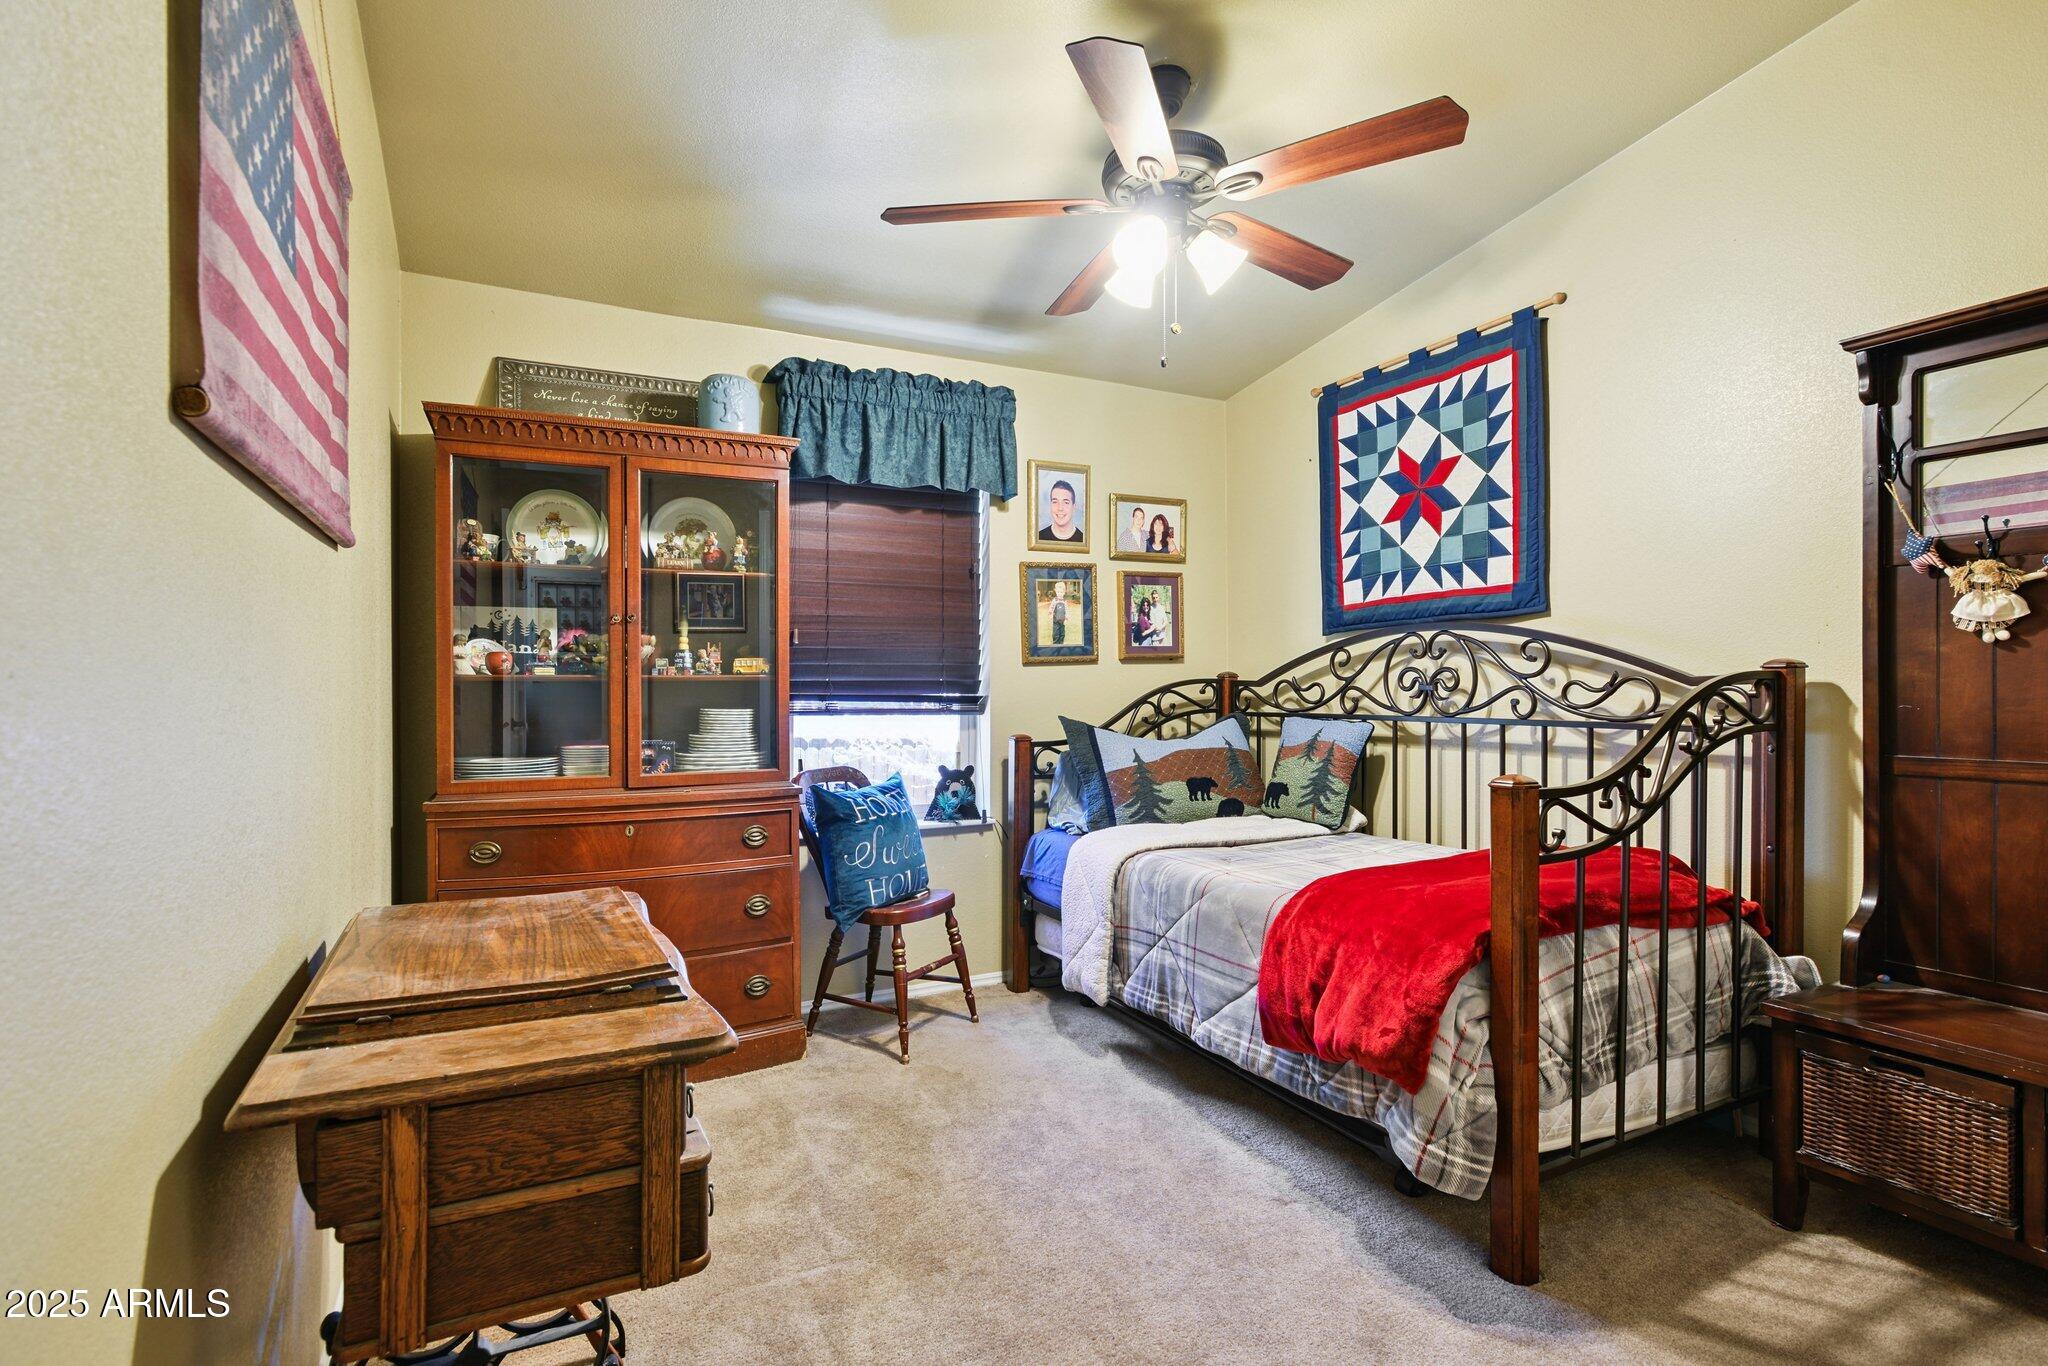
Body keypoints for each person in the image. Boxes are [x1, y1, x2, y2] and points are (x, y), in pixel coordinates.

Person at [1039, 478, 1083, 543]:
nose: (1060, 508)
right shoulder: (1039, 537)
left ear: (1074, 507)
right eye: (1055, 502)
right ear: (1050, 505)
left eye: (1066, 502)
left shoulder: (1083, 540)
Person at [1049, 580, 1069, 645]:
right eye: (1058, 592)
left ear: (1064, 592)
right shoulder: (1055, 600)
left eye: (1061, 592)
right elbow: (1051, 608)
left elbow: (1066, 610)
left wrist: (1066, 618)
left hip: (1062, 620)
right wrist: (1050, 614)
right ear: (1056, 591)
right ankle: (1055, 643)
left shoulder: (1064, 601)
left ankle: (1061, 643)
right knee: (1056, 633)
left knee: (1062, 633)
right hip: (1056, 620)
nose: (1059, 593)